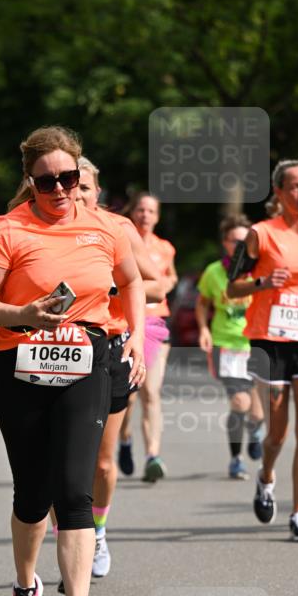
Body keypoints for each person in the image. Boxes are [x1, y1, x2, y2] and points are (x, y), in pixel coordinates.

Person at [0, 126, 145, 596]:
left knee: (74, 492)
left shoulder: (106, 228)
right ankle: (25, 589)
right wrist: (23, 313)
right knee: (32, 496)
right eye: (47, 182)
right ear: (30, 180)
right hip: (21, 366)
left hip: (86, 363)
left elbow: (131, 281)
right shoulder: (7, 231)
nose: (61, 189)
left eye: (68, 177)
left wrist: (135, 336)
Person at [227, 159, 298, 540]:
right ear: (278, 191)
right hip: (271, 340)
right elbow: (232, 286)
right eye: (294, 186)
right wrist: (262, 282)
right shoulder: (261, 234)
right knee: (277, 434)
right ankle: (266, 477)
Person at [65, 157, 164, 580]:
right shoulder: (43, 228)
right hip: (60, 348)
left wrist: (110, 287)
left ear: (98, 191)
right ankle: (71, 536)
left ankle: (99, 530)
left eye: (85, 187)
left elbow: (156, 284)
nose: (76, 195)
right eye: (70, 186)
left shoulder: (118, 227)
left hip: (110, 346)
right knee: (63, 458)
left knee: (103, 464)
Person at [195, 214, 264, 480]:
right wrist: (203, 329)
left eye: (245, 241)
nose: (240, 246)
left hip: (256, 344)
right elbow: (202, 304)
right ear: (225, 243)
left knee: (258, 411)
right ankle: (236, 459)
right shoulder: (214, 272)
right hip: (226, 345)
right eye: (235, 241)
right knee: (239, 401)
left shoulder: (259, 271)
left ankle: (256, 430)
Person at [118, 192, 177, 482]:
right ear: (133, 212)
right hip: (127, 322)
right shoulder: (123, 241)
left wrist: (165, 284)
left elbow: (171, 276)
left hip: (155, 323)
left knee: (151, 392)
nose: (145, 215)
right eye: (141, 210)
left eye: (151, 211)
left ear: (157, 216)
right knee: (128, 398)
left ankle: (153, 455)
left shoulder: (165, 248)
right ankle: (125, 438)